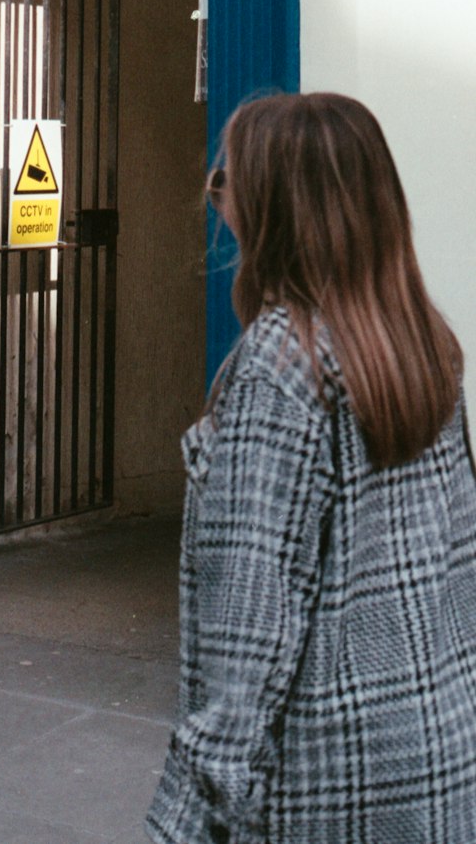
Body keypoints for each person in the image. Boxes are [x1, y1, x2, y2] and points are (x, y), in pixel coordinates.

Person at [146, 92, 476, 844]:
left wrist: (187, 819)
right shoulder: (425, 342)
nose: (218, 199)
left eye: (227, 183)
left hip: (328, 776)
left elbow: (249, 637)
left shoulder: (280, 366)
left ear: (278, 212)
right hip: (437, 750)